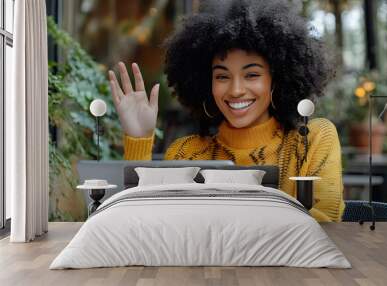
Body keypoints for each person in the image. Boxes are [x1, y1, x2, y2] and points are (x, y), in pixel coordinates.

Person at [108, 0, 345, 222]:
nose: (236, 90)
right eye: (222, 76)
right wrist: (138, 140)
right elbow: (150, 224)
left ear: (277, 79)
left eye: (251, 74)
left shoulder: (312, 140)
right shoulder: (185, 153)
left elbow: (326, 223)